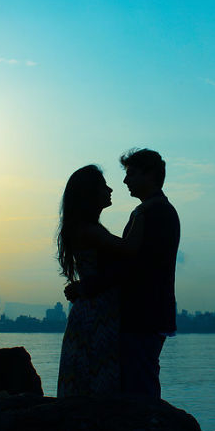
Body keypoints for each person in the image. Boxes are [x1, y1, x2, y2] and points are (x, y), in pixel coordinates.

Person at [55, 164, 141, 397]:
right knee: (98, 378)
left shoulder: (85, 229)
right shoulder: (90, 231)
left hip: (94, 310)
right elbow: (130, 252)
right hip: (97, 313)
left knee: (87, 377)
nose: (110, 189)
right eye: (103, 185)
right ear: (90, 193)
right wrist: (140, 217)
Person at [118, 148, 180, 398]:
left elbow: (136, 264)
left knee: (139, 384)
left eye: (131, 174)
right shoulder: (155, 210)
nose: (125, 181)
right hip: (148, 312)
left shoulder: (154, 212)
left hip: (143, 312)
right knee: (139, 378)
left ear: (150, 175)